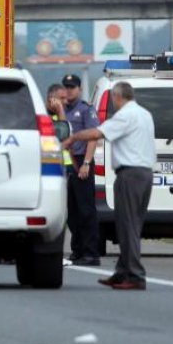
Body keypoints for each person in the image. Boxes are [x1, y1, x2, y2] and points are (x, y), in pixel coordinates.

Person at [67, 82, 156, 290]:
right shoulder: (144, 114)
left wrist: (73, 137)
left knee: (128, 226)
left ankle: (135, 275)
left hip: (130, 174)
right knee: (132, 224)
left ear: (117, 97)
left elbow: (97, 133)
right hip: (144, 174)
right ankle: (122, 271)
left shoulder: (125, 115)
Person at [60, 74, 101, 266]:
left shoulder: (85, 110)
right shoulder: (64, 110)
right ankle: (77, 251)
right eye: (66, 86)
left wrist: (86, 162)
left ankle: (91, 253)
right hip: (68, 163)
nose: (68, 90)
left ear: (79, 89)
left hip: (81, 162)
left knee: (86, 210)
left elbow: (93, 137)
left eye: (72, 87)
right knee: (72, 211)